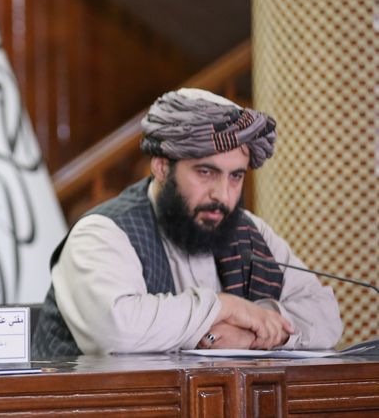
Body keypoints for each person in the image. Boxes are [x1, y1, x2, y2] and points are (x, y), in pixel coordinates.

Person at [33, 88, 342, 357]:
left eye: (235, 176)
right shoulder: (103, 232)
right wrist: (227, 307)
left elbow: (326, 315)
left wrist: (251, 335)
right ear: (162, 168)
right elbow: (116, 330)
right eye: (205, 172)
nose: (222, 194)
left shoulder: (251, 233)